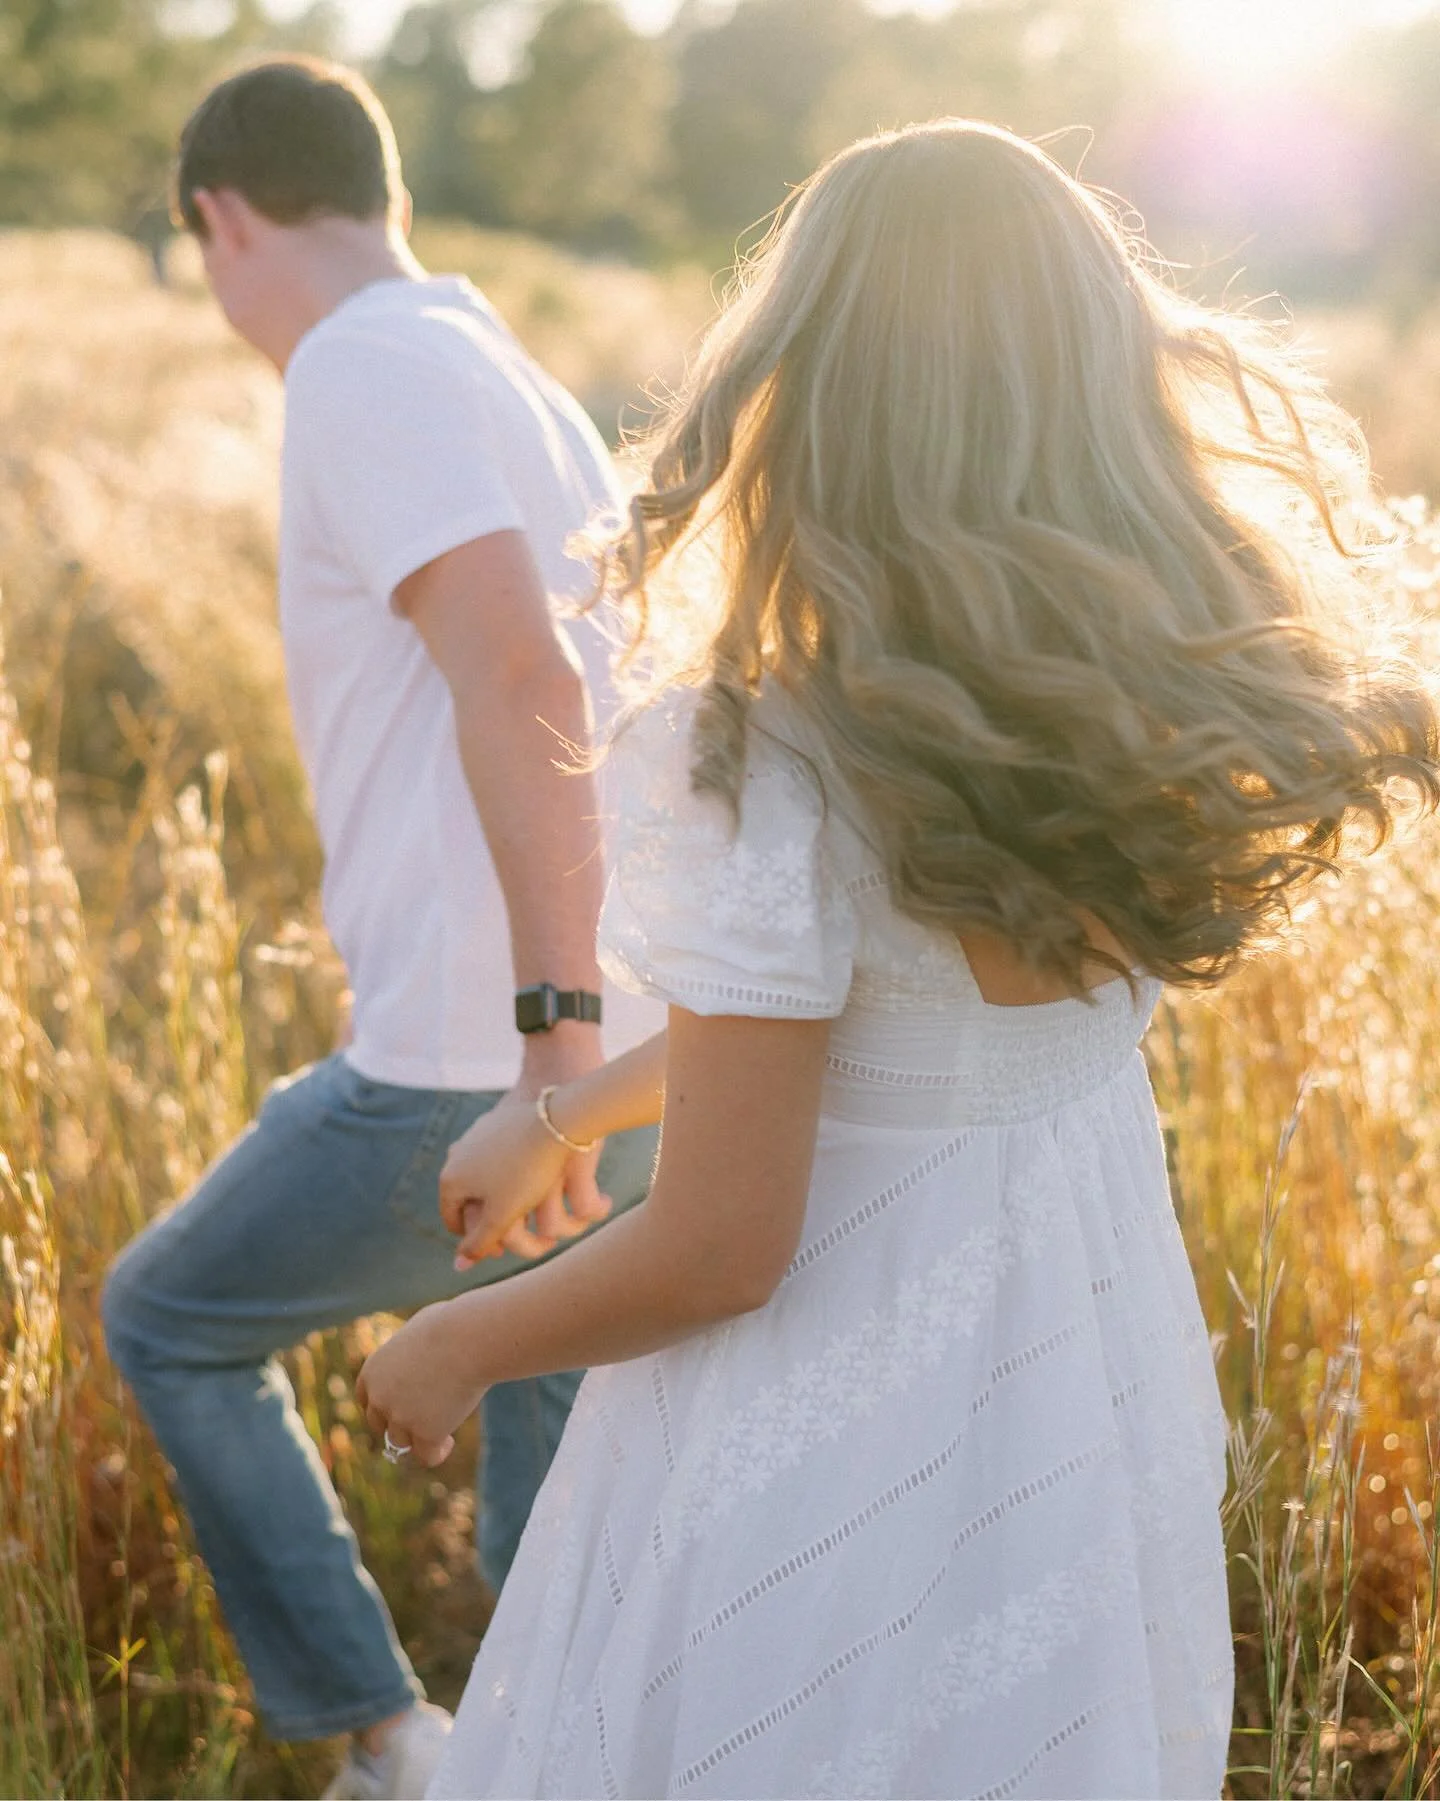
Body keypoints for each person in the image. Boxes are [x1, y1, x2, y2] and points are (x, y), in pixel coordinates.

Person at [355, 119, 1440, 1799]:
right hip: (1068, 1381)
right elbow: (870, 1029)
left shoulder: (770, 747)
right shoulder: (1120, 703)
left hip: (839, 1428)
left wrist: (454, 1345)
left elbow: (724, 1246)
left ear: (810, 383)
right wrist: (565, 1124)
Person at [100, 56, 661, 1801]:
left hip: (485, 1054)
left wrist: (549, 1050)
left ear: (224, 218)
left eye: (204, 255)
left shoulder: (359, 365)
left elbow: (517, 667)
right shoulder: (503, 364)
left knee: (170, 1318)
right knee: (550, 1527)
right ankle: (561, 1761)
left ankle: (383, 1742)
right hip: (641, 1046)